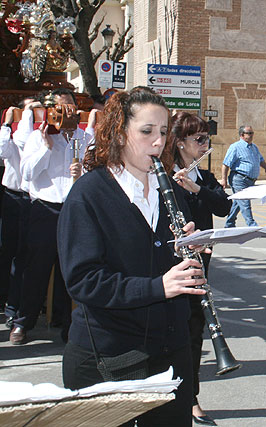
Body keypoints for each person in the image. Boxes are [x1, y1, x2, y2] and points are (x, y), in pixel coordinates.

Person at [57, 88, 206, 426]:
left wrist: (189, 247)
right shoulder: (90, 193)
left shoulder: (169, 191)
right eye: (147, 131)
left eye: (164, 132)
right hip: (108, 357)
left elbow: (165, 265)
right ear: (121, 132)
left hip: (170, 354)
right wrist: (158, 287)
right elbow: (82, 280)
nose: (158, 141)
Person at [10, 88, 89, 345]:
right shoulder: (37, 136)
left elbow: (94, 173)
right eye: (58, 108)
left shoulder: (83, 137)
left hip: (73, 210)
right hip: (45, 208)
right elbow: (28, 174)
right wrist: (47, 147)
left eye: (68, 108)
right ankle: (23, 322)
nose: (64, 113)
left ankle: (69, 326)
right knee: (37, 269)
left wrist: (83, 170)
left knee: (71, 270)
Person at [170, 112, 231, 426]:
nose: (205, 144)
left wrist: (197, 189)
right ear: (180, 143)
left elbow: (224, 207)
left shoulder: (203, 178)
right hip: (169, 267)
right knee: (170, 332)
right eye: (199, 140)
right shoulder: (162, 176)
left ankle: (191, 398)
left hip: (200, 265)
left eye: (207, 139)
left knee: (195, 331)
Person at [0, 100, 36, 329]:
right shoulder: (13, 135)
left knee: (25, 257)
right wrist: (7, 124)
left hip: (33, 200)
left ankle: (16, 307)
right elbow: (3, 151)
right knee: (8, 252)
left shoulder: (45, 136)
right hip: (13, 197)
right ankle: (6, 302)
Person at [219, 125, 266, 227]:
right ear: (242, 135)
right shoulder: (235, 147)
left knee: (239, 202)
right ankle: (252, 224)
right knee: (245, 202)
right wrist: (223, 179)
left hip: (251, 180)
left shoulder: (254, 147)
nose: (251, 135)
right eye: (249, 133)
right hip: (239, 179)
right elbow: (226, 164)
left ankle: (229, 223)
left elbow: (260, 159)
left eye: (252, 133)